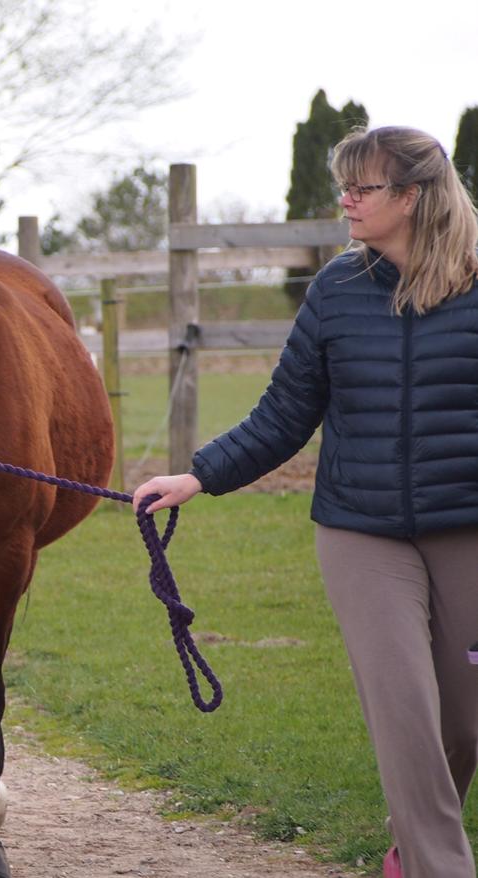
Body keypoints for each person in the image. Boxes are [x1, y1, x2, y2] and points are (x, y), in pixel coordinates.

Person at [133, 125, 478, 878]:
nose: (346, 200)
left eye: (363, 187)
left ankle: (412, 844)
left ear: (412, 197)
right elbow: (285, 413)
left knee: (464, 723)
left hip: (467, 527)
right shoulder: (337, 290)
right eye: (343, 185)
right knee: (404, 711)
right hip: (362, 531)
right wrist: (199, 475)